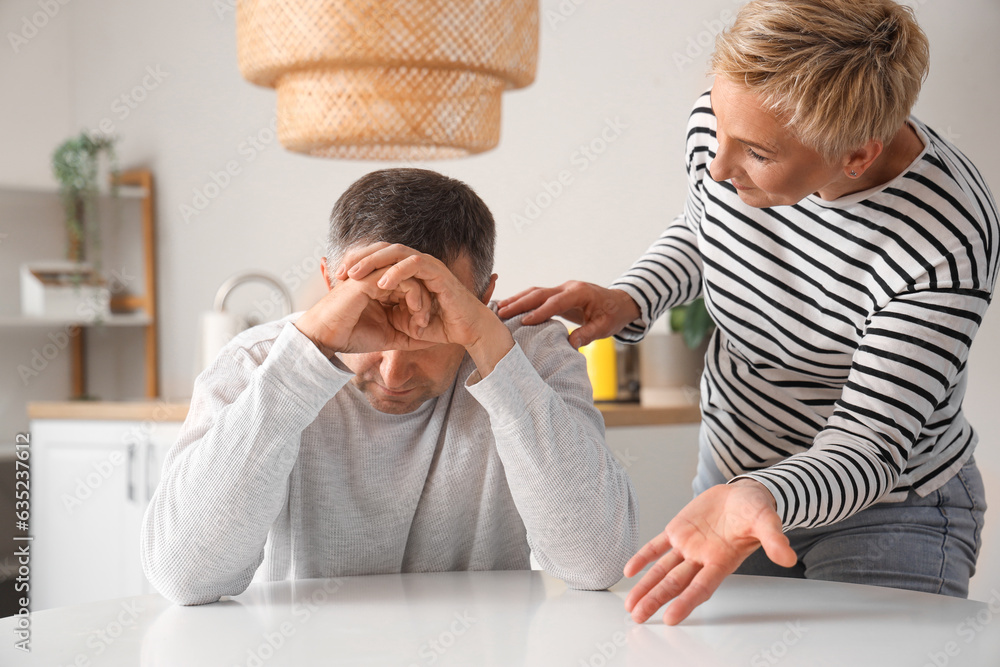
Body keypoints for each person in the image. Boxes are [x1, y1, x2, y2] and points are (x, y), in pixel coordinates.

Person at [499, 0, 997, 625]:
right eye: (717, 118)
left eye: (756, 154)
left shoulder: (943, 238)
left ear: (856, 158)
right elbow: (705, 231)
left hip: (889, 506)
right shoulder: (731, 125)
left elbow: (868, 446)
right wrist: (632, 296)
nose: (716, 163)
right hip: (734, 480)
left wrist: (760, 494)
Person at [141, 168, 639, 605]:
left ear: (485, 297)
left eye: (434, 324)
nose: (394, 372)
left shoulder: (528, 356)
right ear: (330, 283)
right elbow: (185, 577)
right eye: (373, 314)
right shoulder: (261, 363)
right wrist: (306, 355)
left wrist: (493, 352)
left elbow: (596, 562)